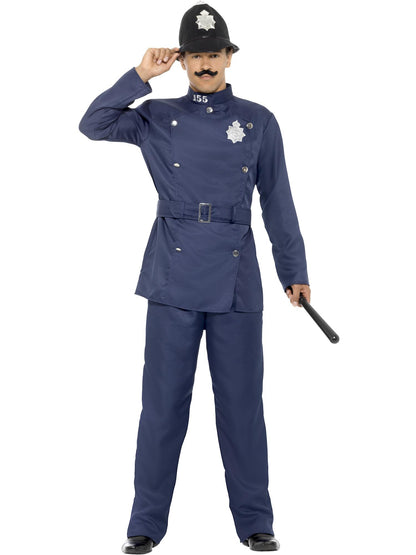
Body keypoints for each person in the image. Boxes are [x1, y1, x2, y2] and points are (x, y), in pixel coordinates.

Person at [79, 3, 310, 553]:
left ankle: (255, 521)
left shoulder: (258, 120)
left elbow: (277, 200)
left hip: (237, 278)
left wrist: (294, 271)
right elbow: (93, 124)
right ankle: (144, 524)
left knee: (242, 407)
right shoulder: (155, 116)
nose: (207, 63)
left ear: (229, 57)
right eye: (197, 55)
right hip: (172, 275)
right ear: (182, 60)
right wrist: (140, 76)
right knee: (162, 407)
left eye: (215, 53)